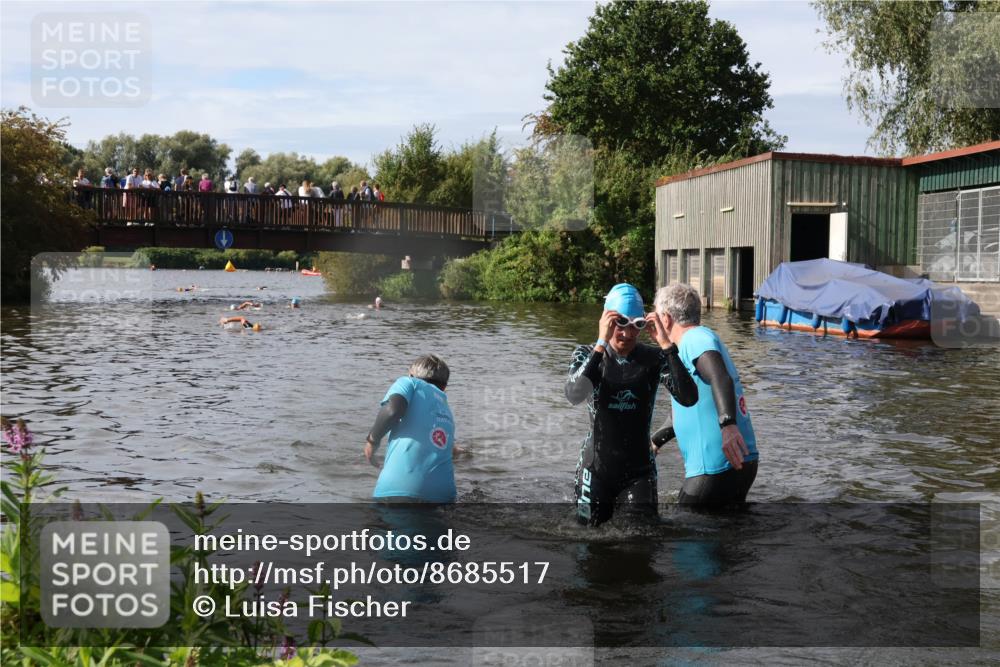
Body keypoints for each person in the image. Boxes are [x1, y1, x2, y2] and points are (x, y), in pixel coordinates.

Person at [565, 283, 698, 526]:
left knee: (640, 546)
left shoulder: (654, 358)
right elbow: (574, 394)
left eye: (635, 325)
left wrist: (667, 346)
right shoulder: (587, 354)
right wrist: (600, 344)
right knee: (587, 544)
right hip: (594, 471)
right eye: (619, 323)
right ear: (606, 320)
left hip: (639, 474)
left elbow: (689, 397)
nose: (627, 334)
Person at [649, 283, 759, 507]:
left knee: (686, 534)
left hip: (714, 464)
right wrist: (655, 441)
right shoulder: (701, 341)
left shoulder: (694, 339)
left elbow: (720, 377)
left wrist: (728, 426)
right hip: (739, 460)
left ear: (666, 319)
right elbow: (685, 409)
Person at [364, 355, 458, 503]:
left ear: (411, 375)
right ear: (444, 387)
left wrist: (372, 441)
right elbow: (446, 447)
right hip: (444, 497)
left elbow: (393, 410)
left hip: (398, 492)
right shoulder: (446, 410)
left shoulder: (409, 383)